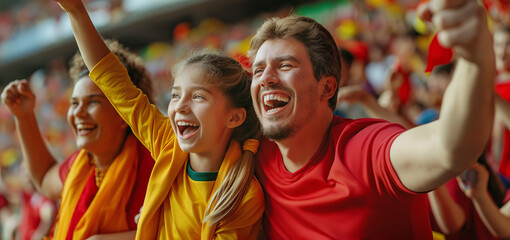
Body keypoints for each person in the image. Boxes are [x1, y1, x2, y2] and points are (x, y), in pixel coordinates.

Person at [247, 0, 495, 238]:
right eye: (258, 70)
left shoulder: (364, 151)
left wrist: (475, 55)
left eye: (286, 65)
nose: (266, 77)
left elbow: (450, 148)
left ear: (327, 88)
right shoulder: (252, 157)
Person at [54, 0, 264, 239]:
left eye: (197, 96)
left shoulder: (243, 196)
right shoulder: (168, 144)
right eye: (175, 95)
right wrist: (76, 12)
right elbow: (113, 81)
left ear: (234, 117)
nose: (180, 106)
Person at [0, 40, 155, 239]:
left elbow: (181, 229)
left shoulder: (156, 163)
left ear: (123, 112)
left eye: (93, 102)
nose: (78, 113)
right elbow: (45, 178)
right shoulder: (79, 165)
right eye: (74, 103)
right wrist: (23, 116)